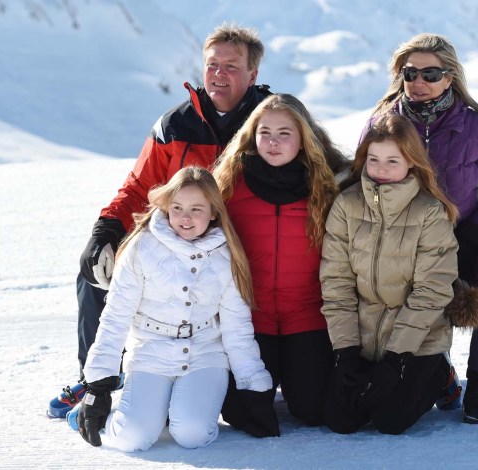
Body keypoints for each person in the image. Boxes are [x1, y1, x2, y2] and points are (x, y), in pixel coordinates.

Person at [48, 23, 271, 418]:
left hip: (239, 251)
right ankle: (97, 382)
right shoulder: (175, 125)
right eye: (212, 64)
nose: (219, 74)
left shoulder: (269, 123)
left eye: (231, 66)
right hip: (177, 241)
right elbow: (138, 187)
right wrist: (107, 231)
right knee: (96, 275)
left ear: (253, 74)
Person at [364, 33, 478, 423]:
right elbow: (364, 183)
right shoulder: (383, 123)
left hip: (465, 237)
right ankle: (436, 372)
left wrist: (474, 236)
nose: (418, 82)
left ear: (450, 78)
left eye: (430, 74)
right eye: (410, 72)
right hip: (401, 243)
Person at [70, 167, 274, 451]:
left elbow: (237, 328)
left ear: (213, 212)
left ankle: (170, 408)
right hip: (151, 353)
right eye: (177, 208)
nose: (185, 217)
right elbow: (115, 317)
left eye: (196, 209)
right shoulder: (141, 248)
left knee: (192, 433)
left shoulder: (227, 255)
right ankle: (135, 412)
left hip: (205, 354)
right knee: (133, 437)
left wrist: (254, 388)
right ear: (166, 207)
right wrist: (98, 386)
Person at [213, 93, 348, 437]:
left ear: (304, 138)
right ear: (252, 135)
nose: (272, 142)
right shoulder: (229, 182)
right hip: (250, 318)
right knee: (240, 413)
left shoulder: (328, 185)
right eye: (265, 132)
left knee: (312, 410)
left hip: (307, 316)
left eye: (284, 133)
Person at [320, 114, 462, 435]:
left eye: (392, 161)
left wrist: (398, 357)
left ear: (411, 162)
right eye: (373, 160)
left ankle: (440, 373)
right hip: (365, 334)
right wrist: (345, 351)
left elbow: (432, 291)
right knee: (340, 420)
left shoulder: (429, 212)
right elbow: (336, 283)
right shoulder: (347, 204)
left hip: (418, 339)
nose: (381, 170)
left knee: (390, 420)